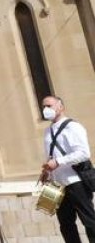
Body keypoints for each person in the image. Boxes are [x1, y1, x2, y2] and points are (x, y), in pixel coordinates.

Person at [40, 95, 95, 243]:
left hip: (75, 181)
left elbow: (83, 153)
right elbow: (51, 157)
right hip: (56, 184)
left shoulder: (73, 127)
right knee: (65, 225)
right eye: (44, 106)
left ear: (60, 107)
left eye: (49, 106)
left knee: (89, 221)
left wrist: (58, 161)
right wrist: (46, 172)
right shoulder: (47, 132)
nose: (45, 109)